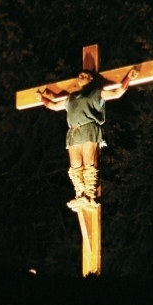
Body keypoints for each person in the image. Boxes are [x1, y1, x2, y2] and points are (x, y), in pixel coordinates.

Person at [37, 66, 139, 208]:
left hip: (89, 129)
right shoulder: (71, 97)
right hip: (74, 132)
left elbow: (116, 93)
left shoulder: (96, 93)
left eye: (84, 74)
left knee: (89, 164)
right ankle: (80, 194)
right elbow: (54, 106)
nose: (81, 75)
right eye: (80, 74)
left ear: (91, 79)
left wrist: (128, 78)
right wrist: (41, 98)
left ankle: (90, 196)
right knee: (75, 166)